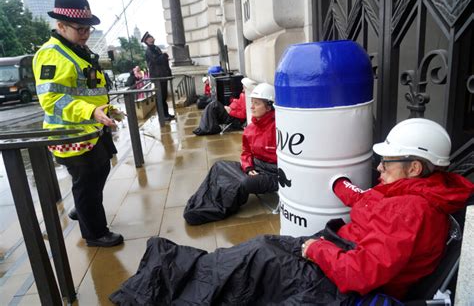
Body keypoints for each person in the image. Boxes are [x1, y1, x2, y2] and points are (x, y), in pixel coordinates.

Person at [110, 118, 473, 304]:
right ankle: (181, 278)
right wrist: (340, 186)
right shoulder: (413, 192)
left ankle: (169, 285)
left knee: (259, 256)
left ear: (414, 166)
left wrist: (316, 250)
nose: (378, 168)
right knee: (260, 251)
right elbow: (371, 204)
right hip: (338, 252)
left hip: (341, 283)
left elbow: (363, 274)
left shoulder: (410, 210)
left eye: (387, 162)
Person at [33, 0, 125, 247]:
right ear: (60, 26)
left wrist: (102, 110)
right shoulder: (51, 54)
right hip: (70, 133)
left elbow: (88, 87)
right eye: (80, 28)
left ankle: (82, 210)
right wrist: (90, 112)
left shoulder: (76, 49)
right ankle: (95, 233)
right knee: (87, 181)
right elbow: (51, 99)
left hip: (92, 128)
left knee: (101, 169)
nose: (85, 33)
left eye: (88, 28)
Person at [184, 83, 278, 225]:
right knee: (219, 166)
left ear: (269, 106)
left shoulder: (279, 128)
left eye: (256, 103)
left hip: (273, 174)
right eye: (251, 103)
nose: (251, 107)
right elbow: (246, 153)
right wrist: (248, 168)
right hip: (255, 167)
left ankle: (220, 207)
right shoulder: (250, 129)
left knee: (244, 182)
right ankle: (207, 202)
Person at [193, 77, 257, 135]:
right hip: (230, 113)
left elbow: (243, 115)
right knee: (211, 106)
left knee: (214, 105)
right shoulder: (243, 95)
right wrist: (234, 101)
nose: (242, 86)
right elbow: (239, 104)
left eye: (243, 86)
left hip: (232, 117)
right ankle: (205, 127)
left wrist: (230, 111)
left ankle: (207, 128)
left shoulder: (245, 97)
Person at [141, 31, 174, 120]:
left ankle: (166, 114)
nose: (153, 38)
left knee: (164, 96)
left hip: (162, 75)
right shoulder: (149, 50)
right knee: (160, 97)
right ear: (147, 40)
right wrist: (164, 56)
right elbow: (156, 61)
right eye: (150, 37)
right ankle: (162, 116)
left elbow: (162, 61)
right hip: (158, 77)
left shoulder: (155, 48)